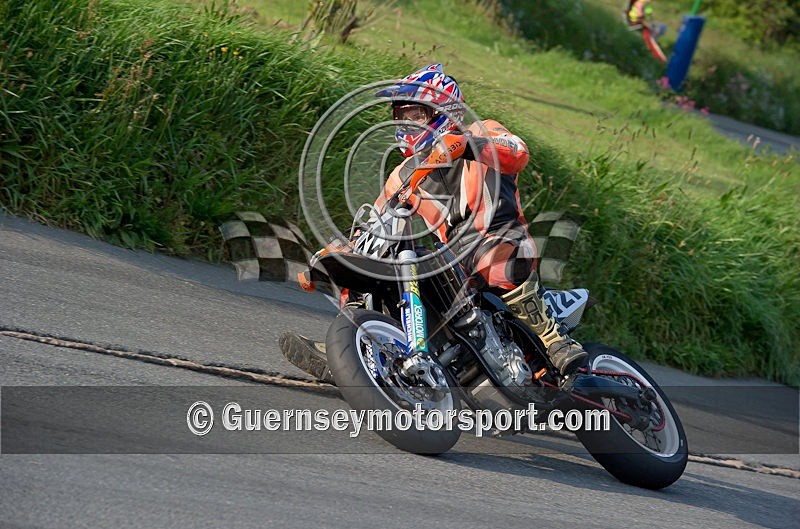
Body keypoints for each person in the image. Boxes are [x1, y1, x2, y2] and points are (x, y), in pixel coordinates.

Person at [371, 64, 587, 377]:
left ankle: (555, 340)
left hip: (502, 239)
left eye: (415, 116)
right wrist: (342, 253)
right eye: (401, 116)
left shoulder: (481, 131)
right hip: (454, 262)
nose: (406, 125)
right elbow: (377, 219)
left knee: (493, 258)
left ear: (442, 112)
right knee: (386, 268)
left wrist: (469, 146)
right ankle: (371, 345)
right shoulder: (402, 175)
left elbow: (518, 152)